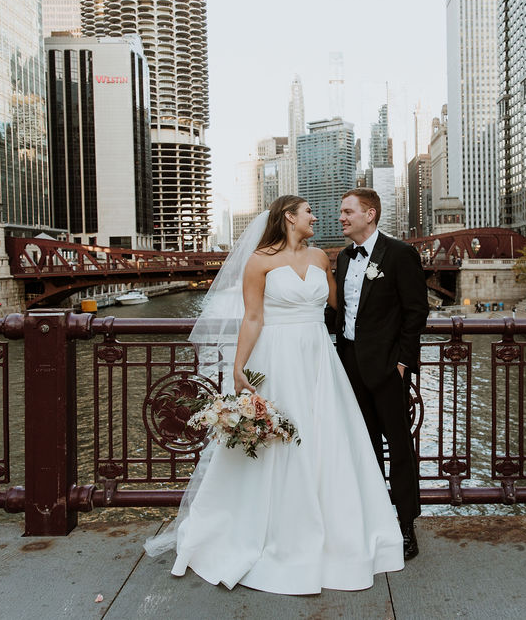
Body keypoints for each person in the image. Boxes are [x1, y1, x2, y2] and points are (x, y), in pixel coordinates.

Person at [144, 195, 404, 594]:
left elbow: (345, 307)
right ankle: (268, 531)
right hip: (277, 357)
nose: (316, 217)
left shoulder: (321, 258)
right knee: (279, 442)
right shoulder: (259, 261)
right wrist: (238, 367)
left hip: (319, 358)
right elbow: (252, 317)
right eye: (309, 212)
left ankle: (340, 528)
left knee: (327, 440)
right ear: (289, 218)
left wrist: (389, 338)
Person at [331, 188, 428, 562]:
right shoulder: (342, 257)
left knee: (400, 449)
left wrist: (403, 363)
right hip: (350, 365)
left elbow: (415, 311)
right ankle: (373, 521)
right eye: (342, 211)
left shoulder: (400, 254)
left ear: (369, 214)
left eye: (347, 211)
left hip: (388, 368)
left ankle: (405, 525)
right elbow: (342, 313)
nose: (341, 217)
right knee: (365, 446)